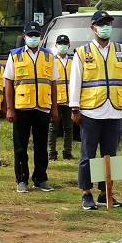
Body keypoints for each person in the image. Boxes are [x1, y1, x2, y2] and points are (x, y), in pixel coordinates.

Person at [69, 10, 122, 210]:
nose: (105, 27)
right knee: (88, 155)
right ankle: (86, 193)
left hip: (115, 109)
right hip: (91, 110)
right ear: (93, 28)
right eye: (101, 24)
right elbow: (75, 82)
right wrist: (75, 108)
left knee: (111, 155)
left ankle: (106, 193)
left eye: (108, 23)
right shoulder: (82, 52)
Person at [4, 23, 57, 193]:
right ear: (24, 36)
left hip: (42, 107)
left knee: (41, 146)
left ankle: (40, 178)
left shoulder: (49, 56)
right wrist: (10, 109)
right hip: (22, 108)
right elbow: (9, 83)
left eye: (36, 35)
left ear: (41, 37)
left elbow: (53, 84)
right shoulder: (15, 56)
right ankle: (22, 179)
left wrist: (54, 109)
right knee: (21, 147)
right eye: (30, 35)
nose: (33, 38)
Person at [47, 33, 75, 162]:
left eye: (65, 44)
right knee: (53, 128)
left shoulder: (73, 61)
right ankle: (52, 152)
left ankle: (67, 152)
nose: (63, 46)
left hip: (70, 100)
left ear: (69, 45)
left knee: (69, 128)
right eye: (60, 44)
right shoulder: (52, 60)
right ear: (56, 45)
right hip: (56, 100)